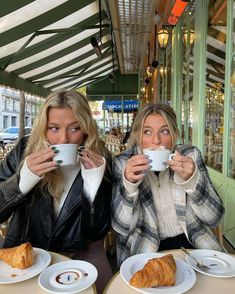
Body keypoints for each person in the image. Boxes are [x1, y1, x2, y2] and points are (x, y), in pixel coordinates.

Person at [0, 90, 113, 293]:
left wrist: (92, 187)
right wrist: (23, 181)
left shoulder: (99, 158)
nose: (64, 139)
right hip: (25, 254)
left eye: (75, 128)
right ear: (43, 129)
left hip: (79, 256)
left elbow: (97, 232)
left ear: (86, 129)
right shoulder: (24, 150)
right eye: (54, 128)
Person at [111, 103, 225, 266]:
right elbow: (121, 229)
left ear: (175, 134)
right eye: (147, 132)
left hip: (193, 244)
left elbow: (214, 218)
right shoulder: (124, 163)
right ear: (138, 136)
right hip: (145, 249)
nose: (156, 140)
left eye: (164, 131)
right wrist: (130, 185)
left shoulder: (190, 156)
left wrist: (192, 180)